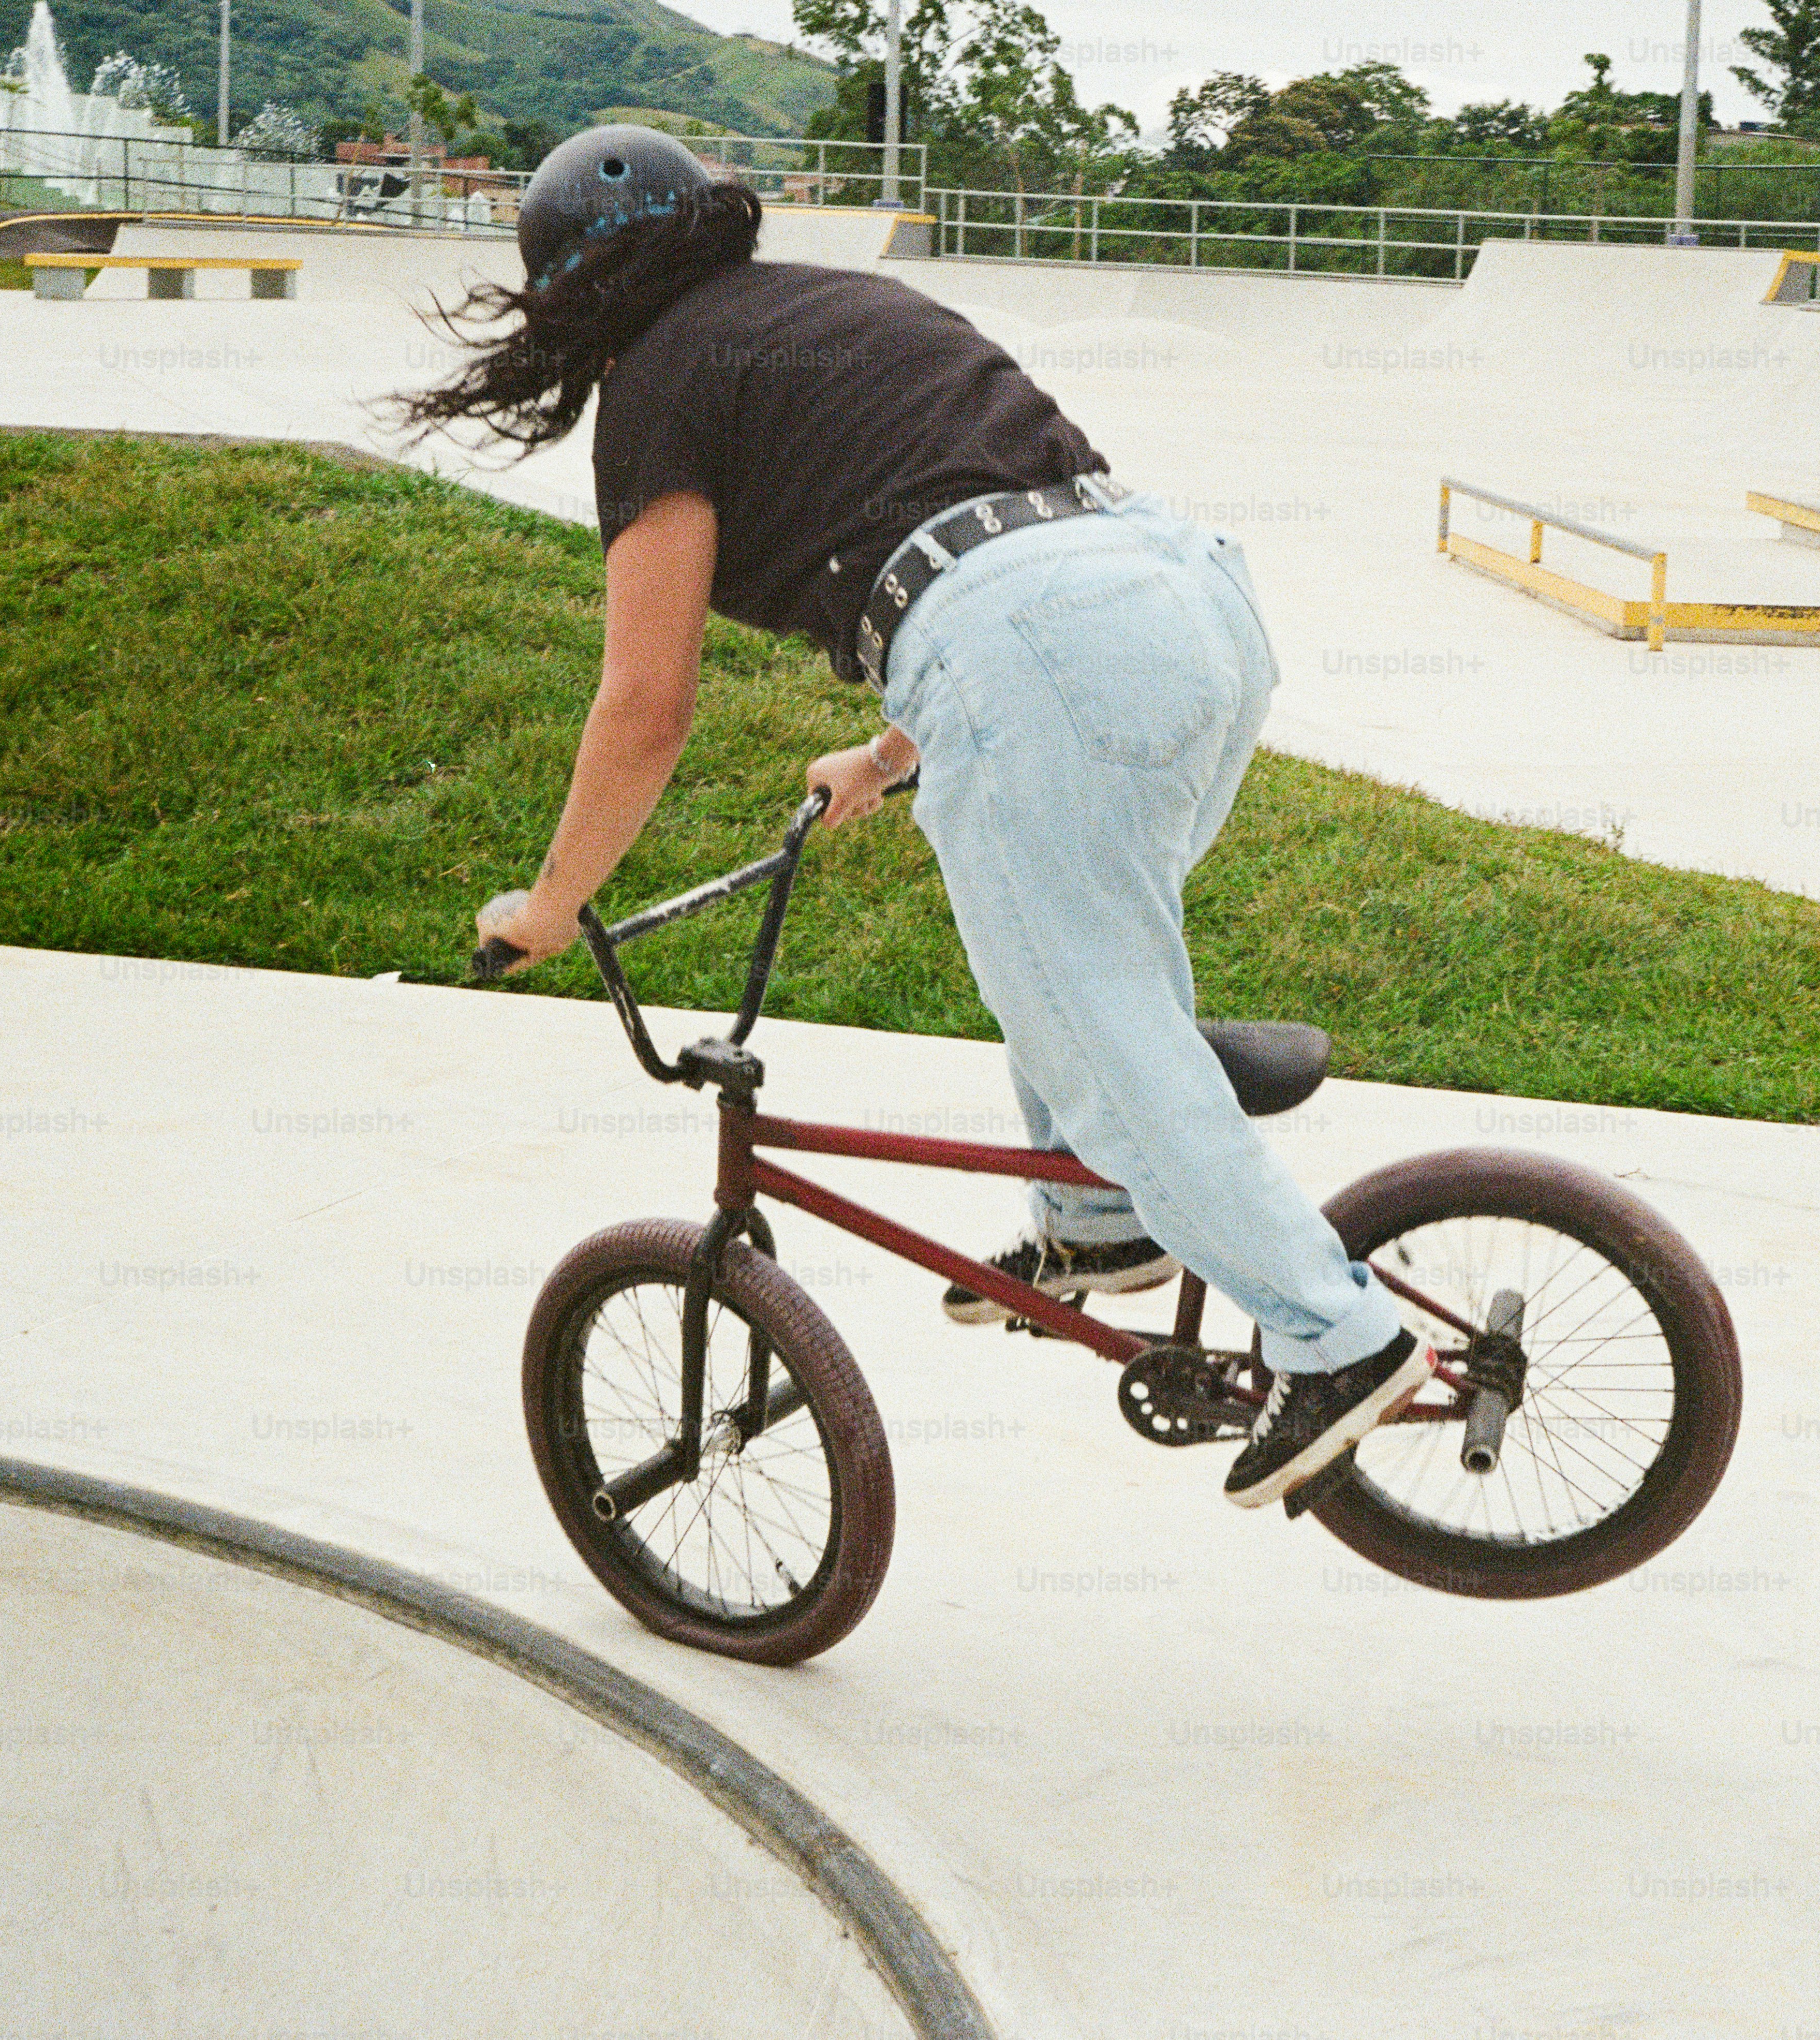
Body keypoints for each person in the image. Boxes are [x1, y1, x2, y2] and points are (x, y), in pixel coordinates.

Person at [401, 126, 1427, 1509]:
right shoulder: (840, 300)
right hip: (1182, 599)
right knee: (1055, 952)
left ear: (571, 292)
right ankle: (1094, 1222)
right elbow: (992, 519)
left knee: (1096, 1011)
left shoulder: (657, 384)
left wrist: (549, 908)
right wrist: (891, 754)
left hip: (1038, 643)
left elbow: (644, 707)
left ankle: (1339, 1337)